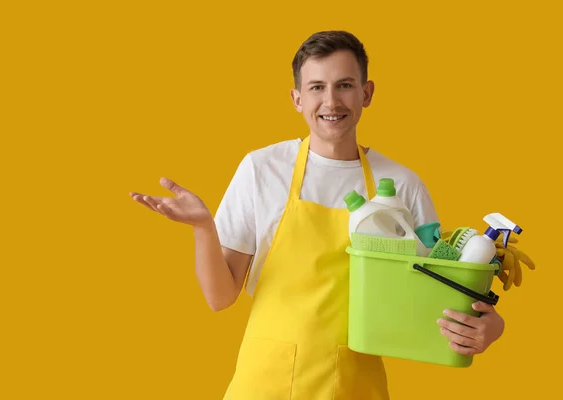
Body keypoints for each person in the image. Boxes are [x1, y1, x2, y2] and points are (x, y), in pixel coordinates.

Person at [130, 30, 505, 400]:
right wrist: (202, 228)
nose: (331, 100)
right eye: (316, 87)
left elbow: (435, 299)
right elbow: (220, 296)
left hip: (356, 385)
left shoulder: (402, 185)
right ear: (296, 98)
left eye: (344, 85)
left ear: (366, 93)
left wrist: (491, 325)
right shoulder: (263, 169)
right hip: (265, 384)